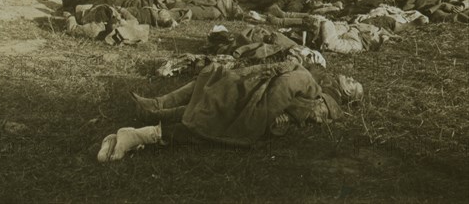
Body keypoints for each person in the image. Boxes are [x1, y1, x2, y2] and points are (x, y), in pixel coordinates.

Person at [97, 61, 363, 162]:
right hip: (248, 92)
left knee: (209, 112)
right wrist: (260, 119)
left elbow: (285, 96)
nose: (347, 76)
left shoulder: (310, 92)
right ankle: (139, 134)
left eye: (352, 82)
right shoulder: (309, 83)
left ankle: (135, 133)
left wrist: (270, 118)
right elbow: (281, 88)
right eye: (350, 78)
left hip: (248, 94)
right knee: (213, 117)